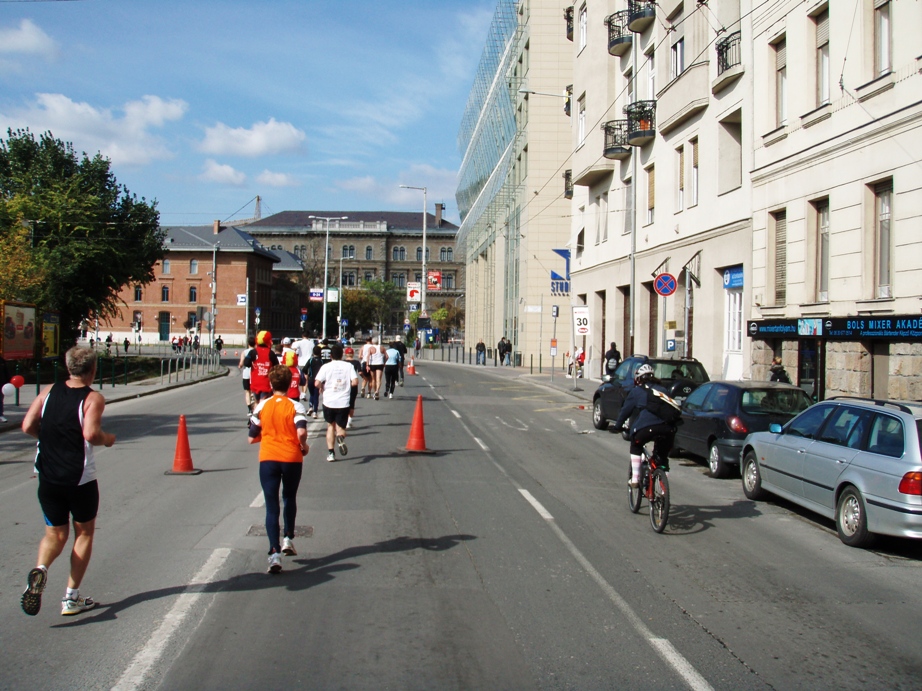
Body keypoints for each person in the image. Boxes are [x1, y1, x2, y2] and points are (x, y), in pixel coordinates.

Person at [20, 346, 116, 616]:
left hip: (48, 476)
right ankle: (71, 598)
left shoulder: (48, 391)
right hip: (79, 479)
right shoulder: (93, 398)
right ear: (93, 370)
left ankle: (40, 569)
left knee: (55, 534)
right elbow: (90, 434)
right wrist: (107, 439)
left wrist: (49, 437)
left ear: (68, 366)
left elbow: (27, 426)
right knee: (83, 533)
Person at [247, 365, 309, 574]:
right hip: (292, 457)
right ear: (289, 383)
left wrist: (266, 435)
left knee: (271, 506)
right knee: (289, 498)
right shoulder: (296, 406)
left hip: (269, 459)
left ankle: (274, 554)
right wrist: (304, 446)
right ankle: (288, 539)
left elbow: (251, 437)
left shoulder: (262, 407)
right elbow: (301, 432)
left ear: (271, 384)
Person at [612, 364, 678, 487]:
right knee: (662, 458)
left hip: (646, 428)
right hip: (667, 429)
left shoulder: (636, 391)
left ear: (639, 379)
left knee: (636, 444)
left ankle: (635, 478)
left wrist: (617, 426)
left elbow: (626, 410)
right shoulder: (663, 391)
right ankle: (663, 487)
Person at [314, 342, 357, 462]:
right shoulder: (348, 366)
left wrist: (322, 387)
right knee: (341, 428)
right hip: (343, 402)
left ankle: (331, 453)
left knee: (330, 426)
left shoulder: (326, 367)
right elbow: (355, 382)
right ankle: (340, 437)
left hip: (329, 401)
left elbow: (316, 383)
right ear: (342, 355)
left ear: (331, 356)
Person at [244, 330, 279, 405]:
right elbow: (277, 367)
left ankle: (255, 415)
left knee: (256, 402)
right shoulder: (271, 353)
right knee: (264, 403)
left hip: (255, 382)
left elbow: (246, 363)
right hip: (266, 383)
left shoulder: (253, 352)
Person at [343, 346, 362, 428]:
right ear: (353, 354)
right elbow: (360, 372)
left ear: (345, 354)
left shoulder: (343, 362)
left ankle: (344, 420)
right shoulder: (357, 362)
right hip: (353, 384)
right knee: (352, 402)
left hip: (344, 384)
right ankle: (349, 421)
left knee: (344, 402)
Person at [302, 345, 324, 418]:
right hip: (318, 380)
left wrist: (306, 374)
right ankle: (315, 412)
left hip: (311, 379)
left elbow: (304, 368)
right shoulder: (321, 361)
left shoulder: (311, 360)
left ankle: (310, 407)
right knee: (316, 396)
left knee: (311, 394)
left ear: (313, 352)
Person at [238, 335, 256, 415]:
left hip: (246, 374)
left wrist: (240, 366)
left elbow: (241, 363)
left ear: (248, 343)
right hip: (254, 373)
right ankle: (254, 406)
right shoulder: (256, 352)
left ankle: (249, 409)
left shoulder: (244, 352)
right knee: (254, 392)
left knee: (247, 392)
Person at [0, 354, 10, 423]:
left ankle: (0, 415)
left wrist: (8, 381)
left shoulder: (1, 360)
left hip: (1, 383)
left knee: (0, 399)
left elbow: (6, 371)